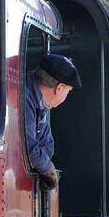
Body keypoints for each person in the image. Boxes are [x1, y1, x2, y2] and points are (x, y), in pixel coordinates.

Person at [25, 53, 82, 189]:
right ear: (60, 88)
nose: (65, 96)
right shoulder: (24, 98)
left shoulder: (41, 104)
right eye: (68, 92)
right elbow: (29, 148)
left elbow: (48, 145)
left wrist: (42, 163)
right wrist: (47, 168)